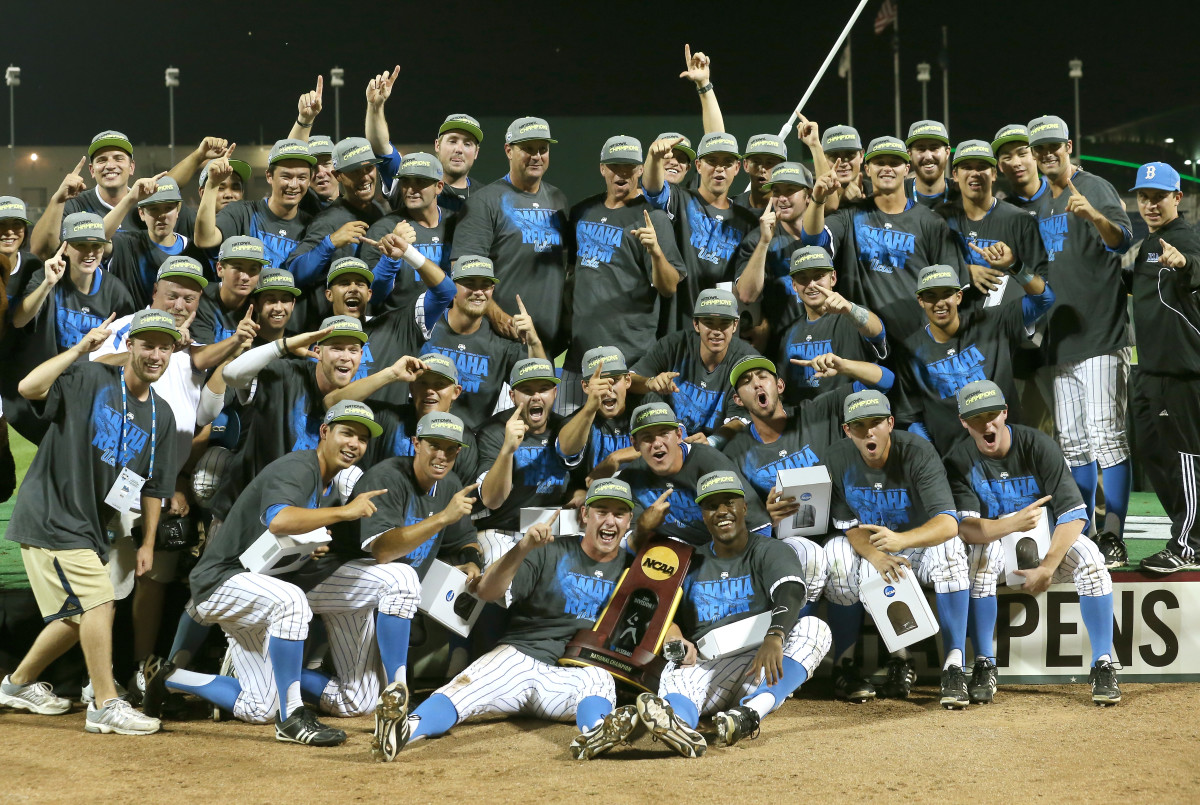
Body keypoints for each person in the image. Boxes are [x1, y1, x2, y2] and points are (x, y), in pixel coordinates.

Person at [143, 401, 420, 746]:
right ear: (324, 432)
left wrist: (309, 545)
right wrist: (345, 513)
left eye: (362, 439)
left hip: (256, 587)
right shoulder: (300, 467)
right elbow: (277, 518)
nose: (355, 444)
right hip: (221, 580)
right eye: (347, 433)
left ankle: (167, 677)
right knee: (292, 601)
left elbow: (280, 536)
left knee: (260, 707)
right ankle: (291, 718)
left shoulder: (324, 481)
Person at [0, 309, 180, 735]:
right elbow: (29, 386)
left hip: (91, 526)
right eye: (147, 344)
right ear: (130, 346)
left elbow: (154, 487)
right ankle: (106, 703)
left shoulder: (162, 415)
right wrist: (81, 350)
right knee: (100, 603)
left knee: (76, 615)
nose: (155, 354)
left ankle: (17, 684)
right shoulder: (90, 380)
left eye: (165, 347)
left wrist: (148, 543)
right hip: (53, 513)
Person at [383, 478, 636, 761]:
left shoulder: (631, 568)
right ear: (585, 515)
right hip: (519, 659)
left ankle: (596, 734)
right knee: (464, 687)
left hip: (568, 676)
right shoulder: (549, 550)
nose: (609, 521)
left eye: (619, 513)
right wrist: (522, 547)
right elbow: (487, 591)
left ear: (629, 521)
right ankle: (404, 730)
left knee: (599, 678)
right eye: (601, 511)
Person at [944, 381, 1119, 705]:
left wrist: (1049, 566)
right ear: (964, 422)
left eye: (992, 414)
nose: (987, 424)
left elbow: (1074, 514)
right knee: (977, 564)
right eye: (976, 418)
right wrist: (1011, 523)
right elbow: (966, 528)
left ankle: (1103, 663)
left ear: (1005, 413)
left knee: (1093, 561)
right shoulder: (959, 459)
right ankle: (984, 662)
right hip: (993, 542)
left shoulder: (1038, 445)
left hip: (1045, 542)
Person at [633, 471, 831, 757]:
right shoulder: (690, 560)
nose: (722, 511)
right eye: (712, 506)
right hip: (708, 665)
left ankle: (749, 714)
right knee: (678, 674)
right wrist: (676, 637)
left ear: (745, 507)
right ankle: (678, 726)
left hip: (763, 661)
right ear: (703, 514)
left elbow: (790, 591)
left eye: (729, 503)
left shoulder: (769, 550)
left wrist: (775, 637)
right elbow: (662, 612)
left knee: (814, 628)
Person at [1025, 115, 1134, 568]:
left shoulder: (1093, 186)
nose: (1048, 153)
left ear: (1069, 146)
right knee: (1073, 443)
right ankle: (1084, 529)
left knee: (1107, 438)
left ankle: (1114, 534)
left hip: (1102, 335)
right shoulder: (1042, 206)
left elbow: (1122, 238)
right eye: (1040, 148)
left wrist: (1092, 214)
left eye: (1054, 145)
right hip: (1061, 342)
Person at [820, 390, 970, 708]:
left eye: (876, 423)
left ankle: (955, 666)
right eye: (859, 426)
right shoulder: (837, 457)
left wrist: (903, 541)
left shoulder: (917, 451)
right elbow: (849, 527)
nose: (868, 432)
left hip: (917, 543)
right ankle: (851, 665)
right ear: (847, 430)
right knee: (835, 555)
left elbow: (948, 523)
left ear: (890, 423)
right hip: (874, 547)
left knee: (952, 549)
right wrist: (876, 556)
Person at [722, 354, 894, 612]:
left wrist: (844, 365)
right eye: (747, 382)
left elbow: (885, 382)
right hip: (787, 537)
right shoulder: (736, 452)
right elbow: (738, 518)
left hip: (841, 525)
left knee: (843, 565)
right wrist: (765, 516)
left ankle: (844, 653)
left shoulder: (816, 413)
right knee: (807, 559)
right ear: (738, 399)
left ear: (779, 386)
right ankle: (798, 642)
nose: (757, 384)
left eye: (763, 377)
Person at [561, 135, 684, 413]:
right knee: (568, 443)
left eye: (630, 167)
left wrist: (655, 252)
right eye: (615, 166)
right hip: (579, 358)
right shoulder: (582, 212)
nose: (623, 173)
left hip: (630, 363)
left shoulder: (654, 219)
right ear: (602, 168)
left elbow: (669, 287)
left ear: (641, 170)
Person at [802, 136, 964, 343]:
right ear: (867, 169)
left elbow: (948, 288)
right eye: (879, 163)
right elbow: (813, 241)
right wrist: (817, 200)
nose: (887, 168)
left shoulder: (930, 221)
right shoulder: (850, 215)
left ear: (906, 169)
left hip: (916, 338)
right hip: (862, 338)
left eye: (894, 163)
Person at [1126, 162, 1200, 574]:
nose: (1150, 204)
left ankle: (1188, 544)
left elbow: (1195, 267)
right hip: (1150, 369)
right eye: (1144, 197)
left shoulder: (1186, 239)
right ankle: (1185, 531)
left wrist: (1186, 265)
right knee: (1154, 455)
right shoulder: (1149, 244)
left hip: (1182, 370)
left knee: (1185, 459)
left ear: (1177, 197)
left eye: (1159, 196)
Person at [897, 263, 1054, 451]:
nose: (940, 303)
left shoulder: (992, 322)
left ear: (958, 296)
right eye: (931, 296)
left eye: (946, 294)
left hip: (1009, 450)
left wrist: (1016, 266)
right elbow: (911, 418)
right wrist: (932, 458)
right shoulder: (909, 352)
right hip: (956, 464)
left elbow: (1044, 298)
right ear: (920, 300)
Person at [450, 116, 569, 353]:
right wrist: (498, 316)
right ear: (508, 150)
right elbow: (460, 271)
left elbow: (567, 270)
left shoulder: (559, 200)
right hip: (500, 342)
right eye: (527, 148)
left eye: (542, 149)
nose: (536, 156)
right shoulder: (485, 202)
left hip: (550, 344)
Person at [642, 131, 758, 331]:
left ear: (737, 168)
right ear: (698, 166)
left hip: (723, 333)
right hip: (679, 327)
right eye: (711, 161)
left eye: (727, 162)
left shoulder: (747, 222)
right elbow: (654, 190)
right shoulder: (681, 199)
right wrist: (653, 159)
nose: (719, 168)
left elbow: (747, 289)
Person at [615, 402, 770, 545]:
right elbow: (626, 545)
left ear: (679, 435)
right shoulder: (629, 480)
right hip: (669, 554)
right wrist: (642, 529)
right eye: (647, 437)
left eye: (664, 434)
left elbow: (760, 526)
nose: (657, 443)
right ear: (635, 443)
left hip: (719, 552)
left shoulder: (709, 463)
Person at [419, 256, 546, 429]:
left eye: (485, 285)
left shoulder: (501, 343)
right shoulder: (426, 327)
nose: (478, 292)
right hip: (421, 433)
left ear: (492, 290)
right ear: (452, 287)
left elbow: (538, 381)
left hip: (472, 445)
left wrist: (534, 341)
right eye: (470, 284)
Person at [475, 359, 576, 563]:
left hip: (553, 527)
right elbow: (491, 501)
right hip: (501, 529)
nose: (536, 396)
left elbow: (581, 481)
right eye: (527, 390)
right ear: (512, 396)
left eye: (544, 389)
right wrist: (507, 450)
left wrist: (578, 492)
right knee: (499, 570)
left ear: (555, 393)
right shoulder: (493, 431)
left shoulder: (565, 429)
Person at [629, 288, 758, 439]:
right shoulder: (675, 345)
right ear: (696, 324)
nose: (717, 331)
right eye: (709, 323)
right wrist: (649, 383)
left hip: (717, 447)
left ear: (735, 325)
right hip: (668, 438)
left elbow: (740, 420)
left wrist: (712, 442)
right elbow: (629, 380)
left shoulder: (747, 360)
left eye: (724, 324)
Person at [11, 212, 136, 361]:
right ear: (65, 248)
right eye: (81, 245)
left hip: (91, 378)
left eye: (96, 245)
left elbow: (126, 346)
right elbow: (19, 321)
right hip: (50, 376)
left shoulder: (116, 292)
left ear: (103, 249)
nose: (89, 252)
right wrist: (47, 285)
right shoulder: (45, 277)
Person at [944, 139, 1050, 307]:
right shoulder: (941, 220)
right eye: (967, 167)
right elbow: (922, 268)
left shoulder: (1020, 221)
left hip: (1004, 326)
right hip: (954, 327)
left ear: (993, 174)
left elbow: (1043, 288)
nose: (975, 173)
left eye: (981, 167)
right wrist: (964, 271)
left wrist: (1014, 265)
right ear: (955, 175)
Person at [775, 246, 887, 405]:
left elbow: (877, 332)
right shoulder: (789, 333)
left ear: (833, 278)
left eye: (818, 276)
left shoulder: (851, 316)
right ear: (794, 285)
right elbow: (783, 389)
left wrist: (850, 309)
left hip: (851, 418)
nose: (812, 284)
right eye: (803, 278)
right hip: (807, 423)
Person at [195, 139, 316, 268]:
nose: (293, 185)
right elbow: (204, 239)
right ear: (269, 176)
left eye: (302, 178)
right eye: (286, 176)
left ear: (310, 180)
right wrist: (212, 185)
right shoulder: (241, 213)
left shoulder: (312, 227)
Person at [361, 152, 455, 317]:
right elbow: (371, 296)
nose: (411, 189)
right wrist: (390, 258)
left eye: (420, 182)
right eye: (406, 182)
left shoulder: (456, 225)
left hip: (446, 330)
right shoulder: (384, 229)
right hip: (398, 329)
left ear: (439, 187)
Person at [285, 138, 389, 286]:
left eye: (368, 168)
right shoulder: (328, 220)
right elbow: (294, 273)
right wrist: (330, 243)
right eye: (355, 171)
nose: (365, 177)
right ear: (338, 175)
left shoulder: (378, 210)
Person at [104, 175, 205, 308]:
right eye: (153, 209)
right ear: (141, 213)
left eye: (168, 208)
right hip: (130, 326)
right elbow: (95, 237)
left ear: (177, 211)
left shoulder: (193, 250)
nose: (161, 216)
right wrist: (129, 199)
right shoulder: (127, 244)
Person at [191, 236, 271, 346]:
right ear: (220, 269)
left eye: (253, 269)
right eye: (238, 268)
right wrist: (236, 341)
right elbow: (199, 360)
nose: (245, 277)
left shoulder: (262, 303)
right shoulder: (199, 298)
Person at [731, 134, 788, 213]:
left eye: (770, 163)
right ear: (746, 165)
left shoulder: (790, 211)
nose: (762, 169)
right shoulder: (730, 209)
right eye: (756, 162)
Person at [905, 120, 952, 208]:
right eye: (921, 149)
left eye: (934, 148)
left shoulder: (963, 194)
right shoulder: (897, 193)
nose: (928, 157)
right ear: (910, 154)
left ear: (947, 152)